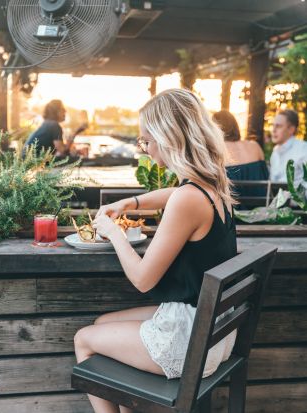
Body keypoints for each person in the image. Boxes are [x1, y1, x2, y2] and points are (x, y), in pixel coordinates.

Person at [74, 89, 237, 413]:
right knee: (102, 322)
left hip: (191, 338)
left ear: (169, 137)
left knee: (84, 339)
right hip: (215, 329)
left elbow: (143, 280)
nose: (145, 148)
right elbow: (173, 194)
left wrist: (113, 232)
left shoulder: (188, 199)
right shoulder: (211, 184)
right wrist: (130, 203)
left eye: (147, 139)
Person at [213, 110, 269, 206]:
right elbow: (265, 177)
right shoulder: (255, 146)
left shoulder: (216, 150)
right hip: (260, 209)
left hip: (233, 212)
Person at [23, 100, 88, 157]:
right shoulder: (54, 126)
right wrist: (75, 133)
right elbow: (63, 151)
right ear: (56, 111)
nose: (65, 111)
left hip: (28, 160)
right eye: (62, 109)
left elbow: (60, 149)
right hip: (31, 162)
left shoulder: (48, 124)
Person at [270, 109, 307, 187]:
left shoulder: (303, 149)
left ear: (291, 129)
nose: (273, 130)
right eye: (273, 125)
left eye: (278, 126)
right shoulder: (275, 152)